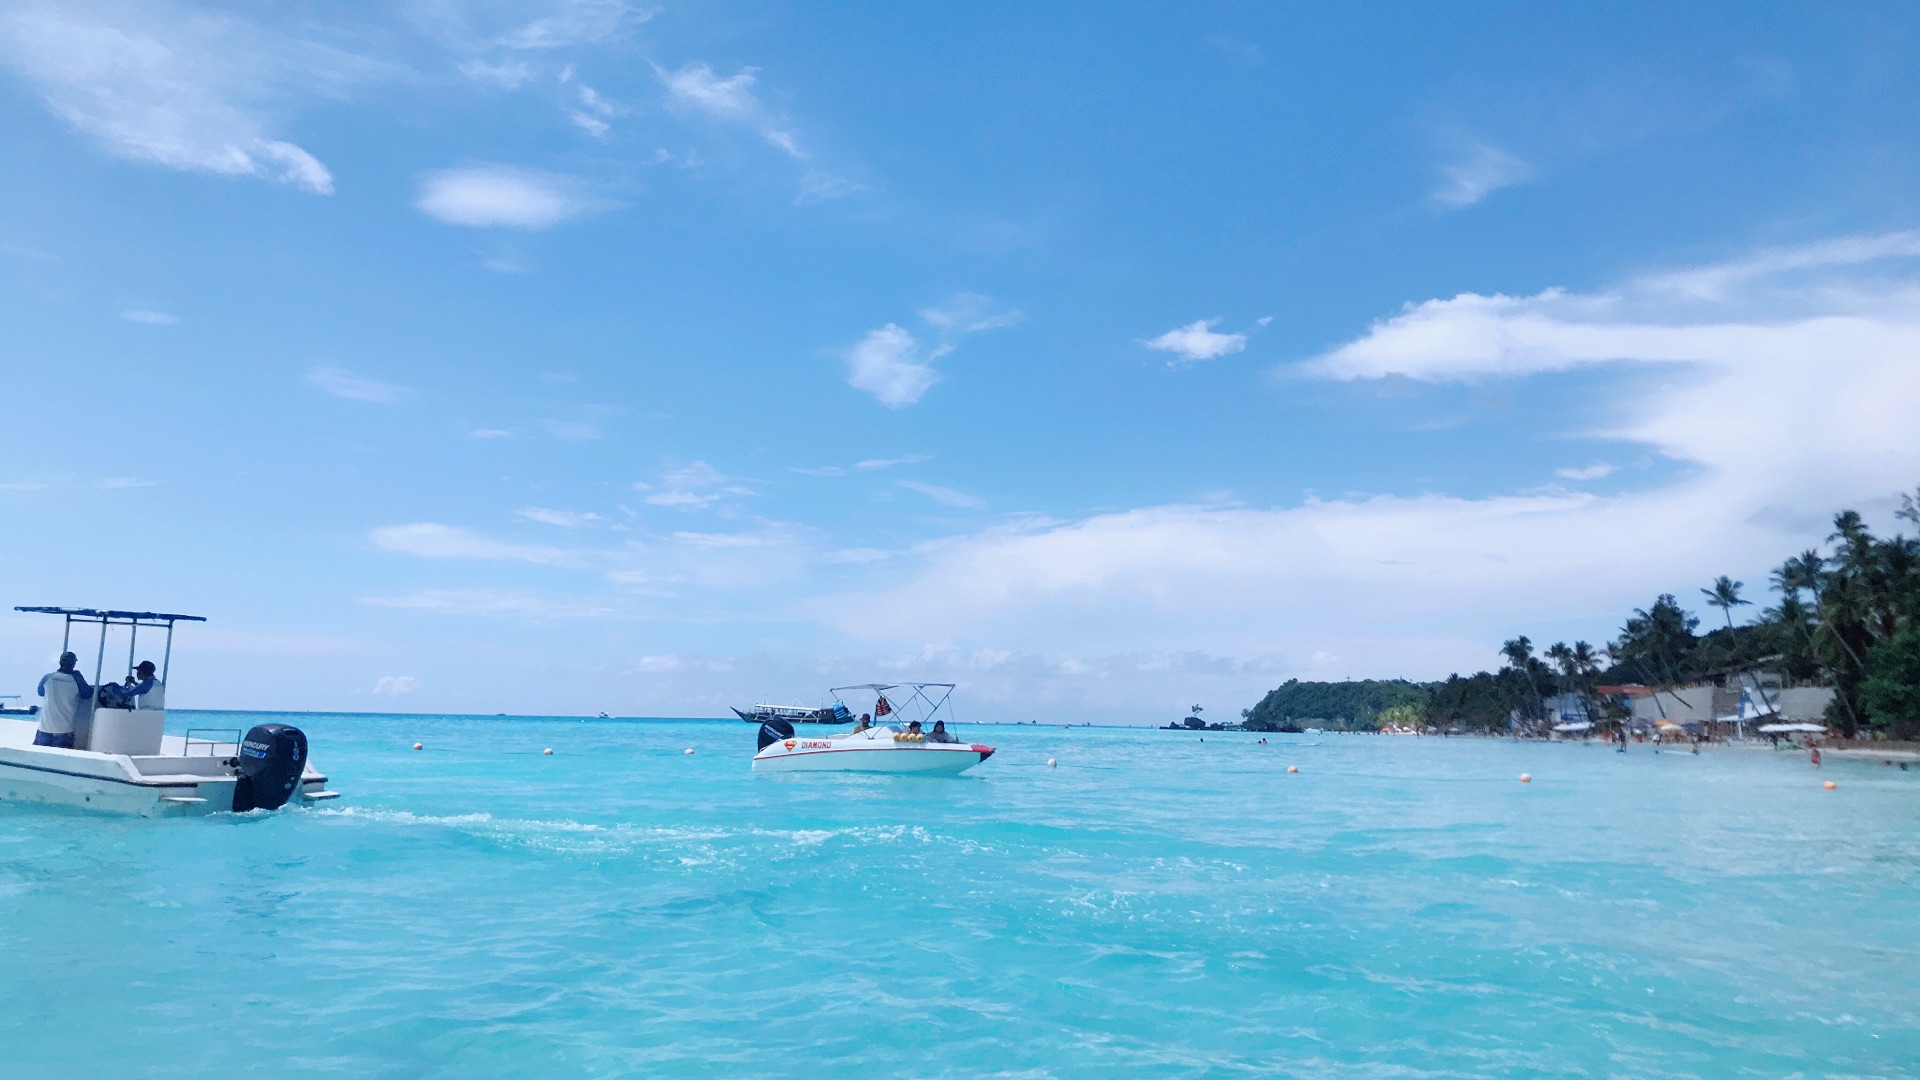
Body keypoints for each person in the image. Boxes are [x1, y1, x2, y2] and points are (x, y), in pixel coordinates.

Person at [34, 652, 92, 749]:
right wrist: (79, 676)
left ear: (60, 662)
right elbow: (87, 694)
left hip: (44, 729)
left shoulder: (48, 678)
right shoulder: (76, 680)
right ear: (73, 664)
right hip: (64, 730)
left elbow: (40, 692)